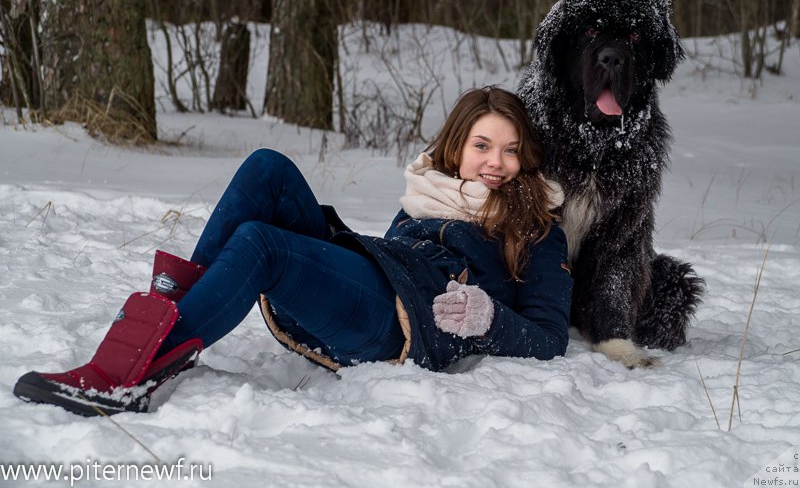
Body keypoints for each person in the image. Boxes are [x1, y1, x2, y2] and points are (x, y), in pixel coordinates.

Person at [13, 86, 573, 417]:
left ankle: (132, 372)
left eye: (510, 150)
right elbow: (393, 258)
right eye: (482, 146)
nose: (495, 163)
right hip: (379, 278)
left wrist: (487, 318)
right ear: (457, 146)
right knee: (267, 168)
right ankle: (166, 334)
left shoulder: (537, 228)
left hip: (405, 327)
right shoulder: (428, 194)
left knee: (262, 244)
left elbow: (549, 339)